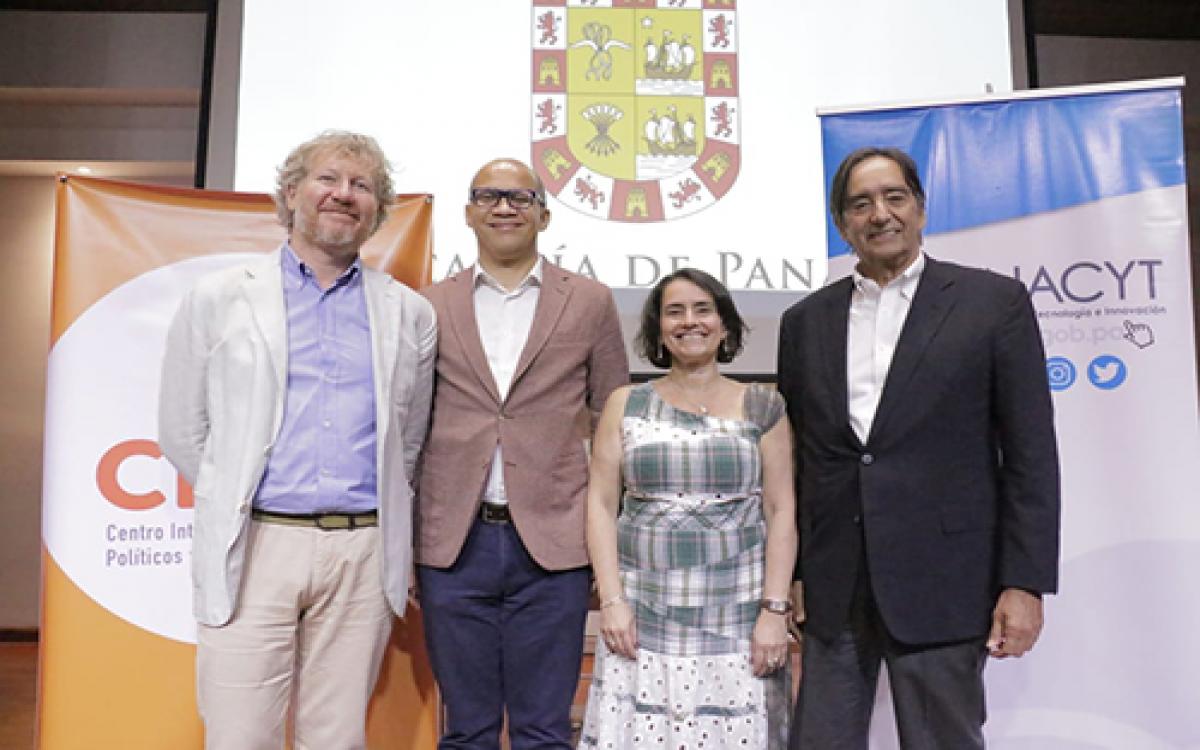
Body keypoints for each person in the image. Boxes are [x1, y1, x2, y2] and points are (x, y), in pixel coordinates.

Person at [157, 130, 437, 750]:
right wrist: (232, 498)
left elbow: (407, 444)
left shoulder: (409, 313)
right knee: (238, 735)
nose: (344, 195)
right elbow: (182, 428)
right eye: (328, 179)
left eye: (362, 186)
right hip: (257, 540)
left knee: (337, 739)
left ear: (378, 211)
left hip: (362, 549)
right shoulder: (220, 298)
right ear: (291, 193)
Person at [776, 146, 1061, 749]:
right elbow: (808, 461)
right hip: (834, 586)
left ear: (921, 209)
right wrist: (796, 572)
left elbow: (1031, 455)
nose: (880, 214)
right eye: (861, 203)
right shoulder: (804, 322)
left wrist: (1024, 582)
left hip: (946, 581)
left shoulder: (991, 303)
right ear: (842, 224)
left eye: (894, 197)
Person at [416, 158, 629, 749]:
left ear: (543, 213)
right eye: (488, 195)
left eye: (519, 196)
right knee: (467, 730)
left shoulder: (588, 300)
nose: (504, 206)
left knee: (544, 729)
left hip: (555, 546)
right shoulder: (428, 304)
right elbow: (410, 428)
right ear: (468, 213)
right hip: (454, 546)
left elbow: (615, 420)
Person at [579, 269, 798, 749]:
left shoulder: (764, 405)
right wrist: (612, 603)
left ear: (724, 324)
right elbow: (599, 503)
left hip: (739, 615)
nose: (689, 322)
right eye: (674, 311)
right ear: (658, 328)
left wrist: (774, 611)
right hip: (642, 615)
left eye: (703, 309)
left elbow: (782, 512)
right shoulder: (625, 403)